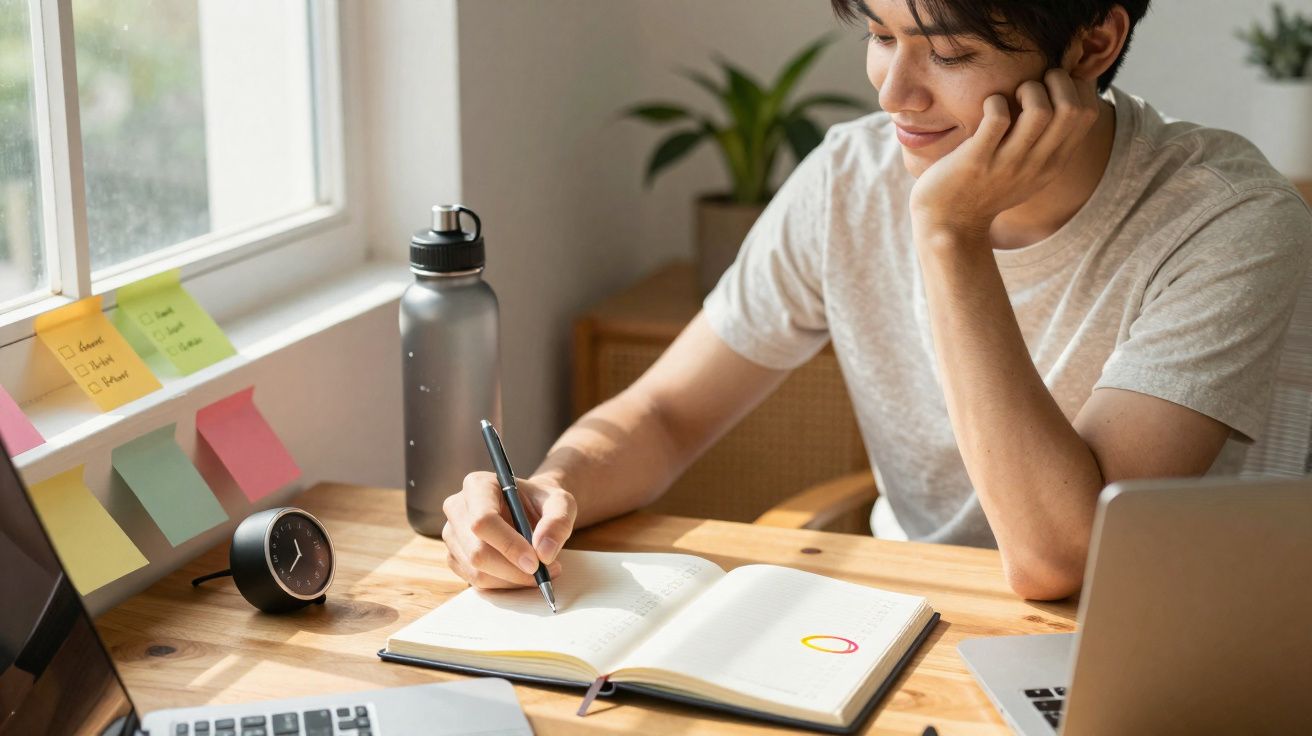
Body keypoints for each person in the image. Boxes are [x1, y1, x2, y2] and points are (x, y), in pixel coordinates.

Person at [440, 0, 1312, 600]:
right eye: (880, 33)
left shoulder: (1230, 221)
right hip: (910, 618)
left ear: (1092, 45)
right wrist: (547, 490)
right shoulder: (851, 176)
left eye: (950, 52)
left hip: (1157, 651)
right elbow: (665, 414)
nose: (894, 93)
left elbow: (1064, 561)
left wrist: (949, 236)